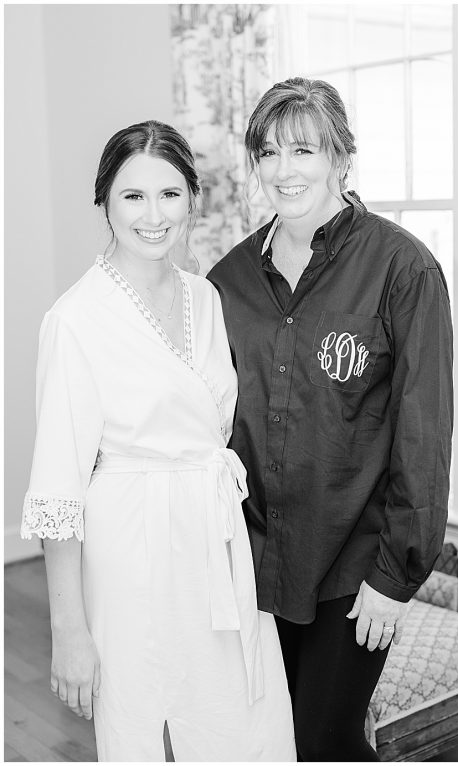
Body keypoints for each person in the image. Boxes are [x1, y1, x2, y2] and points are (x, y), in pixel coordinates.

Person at [20, 121, 295, 761]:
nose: (153, 214)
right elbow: (58, 490)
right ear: (105, 203)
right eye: (133, 196)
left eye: (170, 194)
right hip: (131, 548)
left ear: (192, 200)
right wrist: (69, 630)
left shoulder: (206, 296)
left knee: (246, 724)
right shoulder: (75, 320)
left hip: (217, 540)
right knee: (146, 725)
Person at [207, 77, 454, 761]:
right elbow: (212, 421)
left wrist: (394, 578)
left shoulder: (404, 269)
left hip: (353, 569)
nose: (284, 171)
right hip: (252, 562)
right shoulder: (227, 281)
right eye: (268, 153)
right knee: (265, 741)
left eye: (303, 151)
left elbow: (424, 434)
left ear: (341, 158)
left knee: (325, 741)